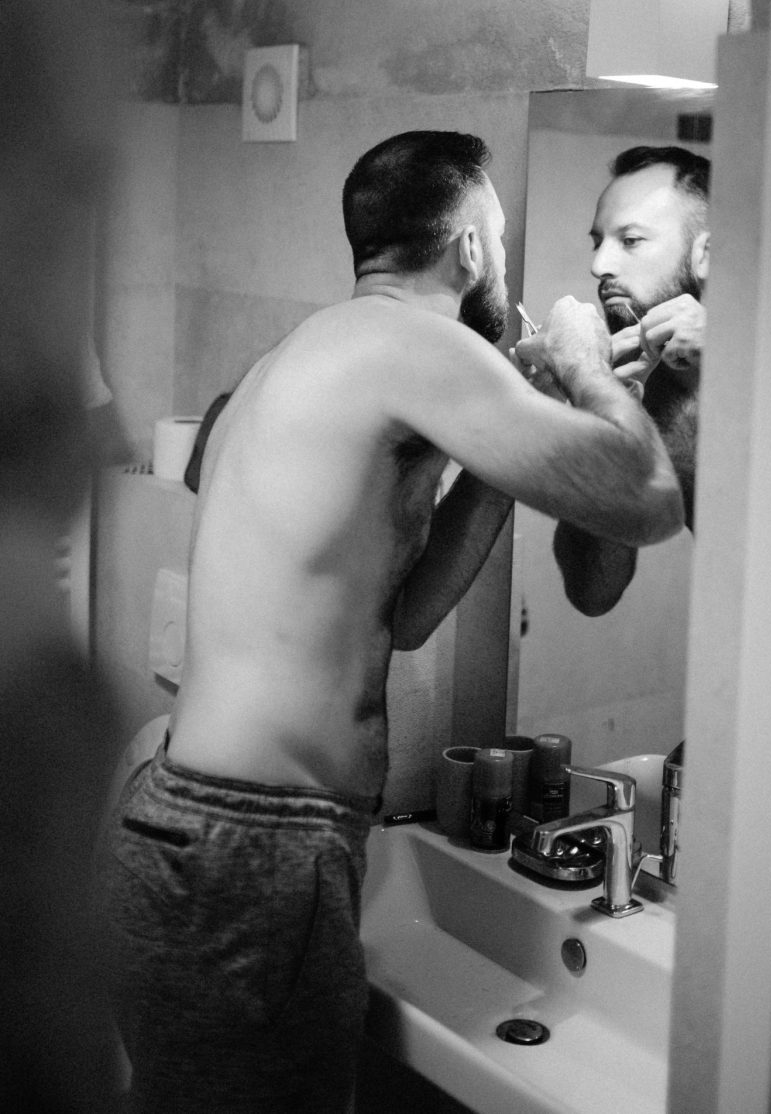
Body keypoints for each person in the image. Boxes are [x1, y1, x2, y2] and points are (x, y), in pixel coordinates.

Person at [99, 129, 685, 1113]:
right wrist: (586, 368)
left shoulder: (301, 357)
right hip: (256, 847)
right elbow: (645, 499)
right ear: (465, 249)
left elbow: (402, 618)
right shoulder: (420, 343)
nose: (501, 259)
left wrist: (502, 463)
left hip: (193, 825)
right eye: (497, 236)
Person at [553, 145, 710, 616]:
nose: (599, 266)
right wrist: (605, 413)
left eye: (631, 240)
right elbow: (593, 592)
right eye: (597, 241)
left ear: (708, 254)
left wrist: (728, 361)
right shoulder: (640, 391)